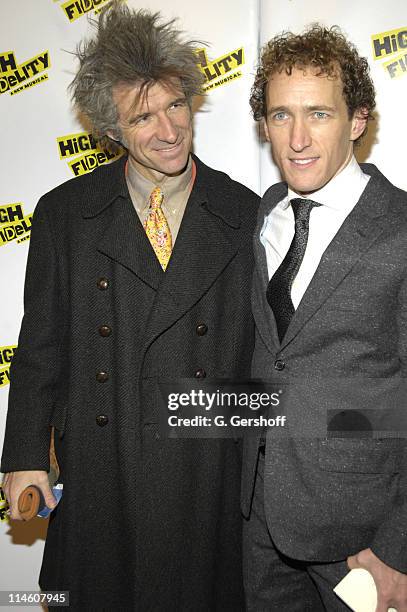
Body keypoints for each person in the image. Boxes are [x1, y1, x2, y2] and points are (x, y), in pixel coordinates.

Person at [1, 2, 259, 609]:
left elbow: (264, 359)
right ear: (110, 130)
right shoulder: (64, 213)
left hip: (205, 477)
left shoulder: (246, 213)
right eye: (143, 117)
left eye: (176, 106)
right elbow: (39, 347)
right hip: (100, 470)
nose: (169, 131)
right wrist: (25, 457)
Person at [242, 24, 407, 611]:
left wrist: (398, 547)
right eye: (281, 116)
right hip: (262, 519)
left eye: (319, 114)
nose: (298, 138)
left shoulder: (399, 228)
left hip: (362, 540)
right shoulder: (264, 214)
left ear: (357, 120)